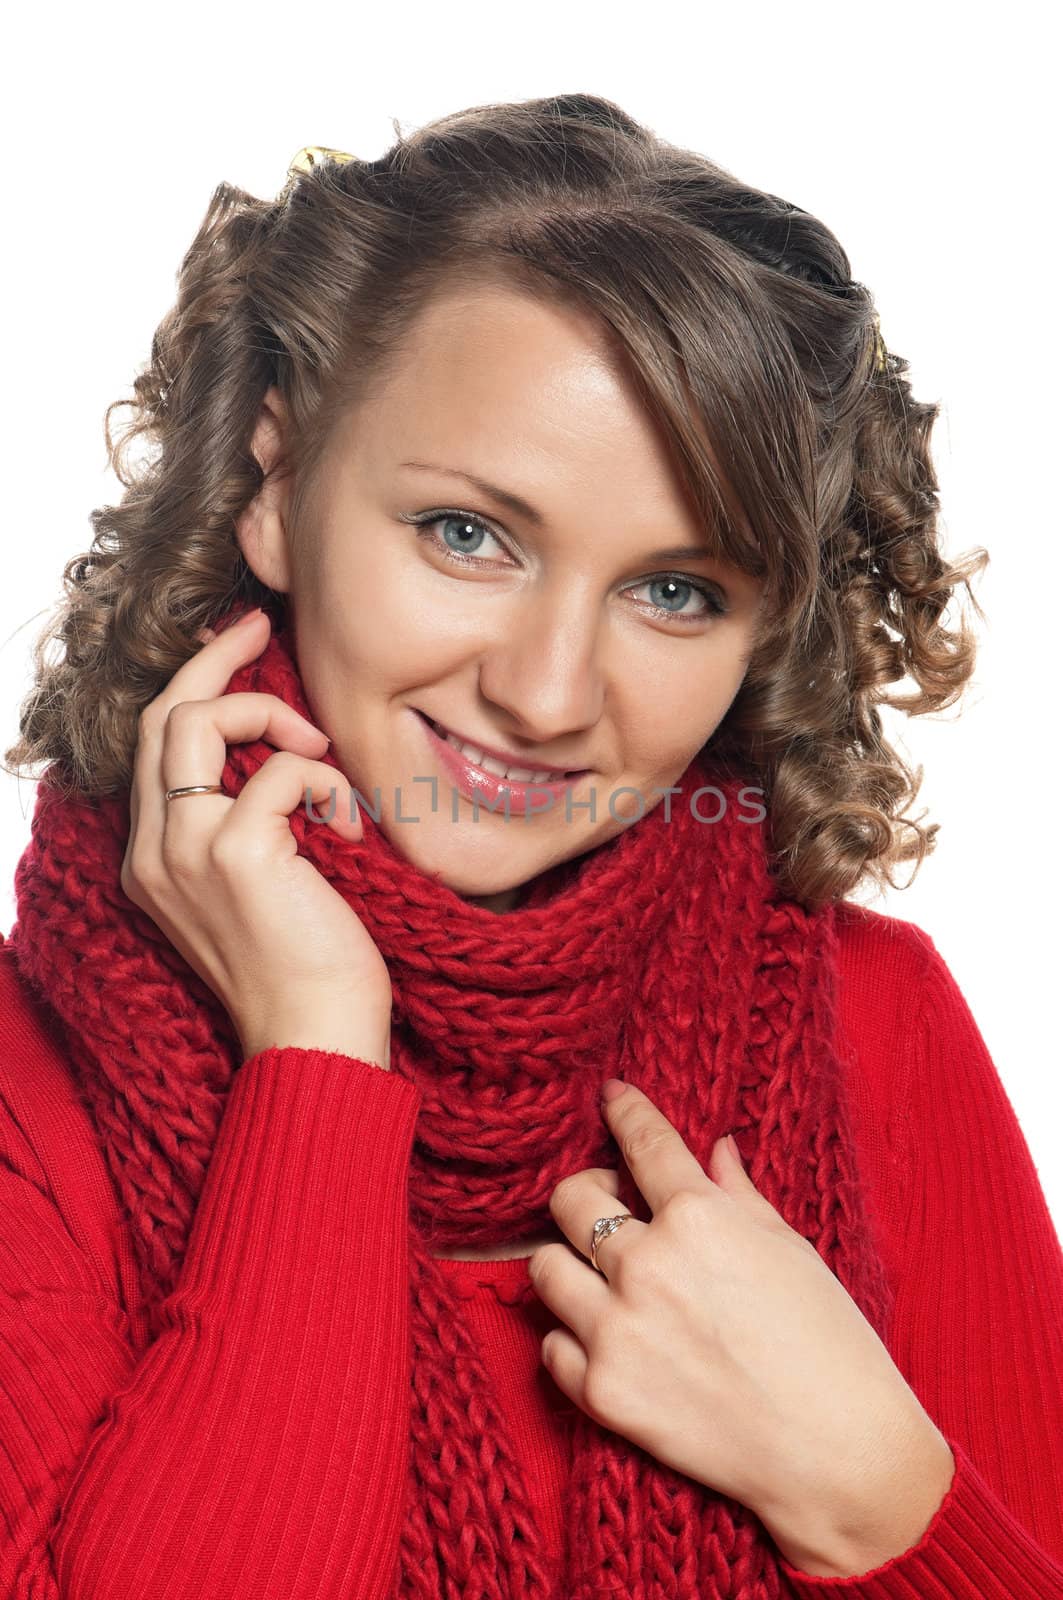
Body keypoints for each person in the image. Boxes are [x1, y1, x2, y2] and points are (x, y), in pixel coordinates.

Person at [0, 92, 1060, 1600]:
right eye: (468, 534)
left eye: (676, 591)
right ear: (280, 483)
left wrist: (875, 1496)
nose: (550, 694)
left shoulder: (877, 1024)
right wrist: (312, 1059)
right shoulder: (22, 1086)